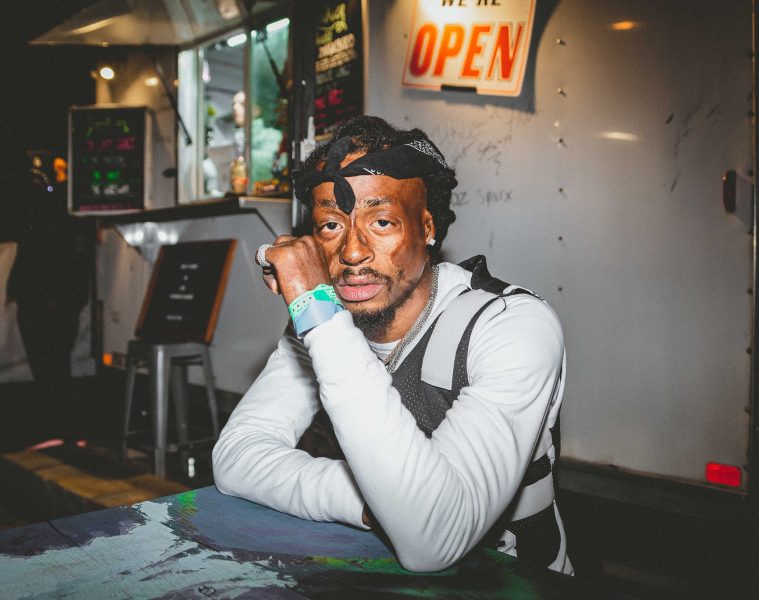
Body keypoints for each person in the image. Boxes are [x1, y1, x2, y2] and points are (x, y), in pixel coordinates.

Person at [212, 115, 572, 574]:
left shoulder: (510, 324)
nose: (352, 252)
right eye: (330, 226)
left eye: (381, 222)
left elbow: (435, 539)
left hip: (516, 580)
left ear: (427, 227)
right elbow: (235, 457)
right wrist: (371, 504)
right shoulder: (327, 321)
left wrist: (318, 313)